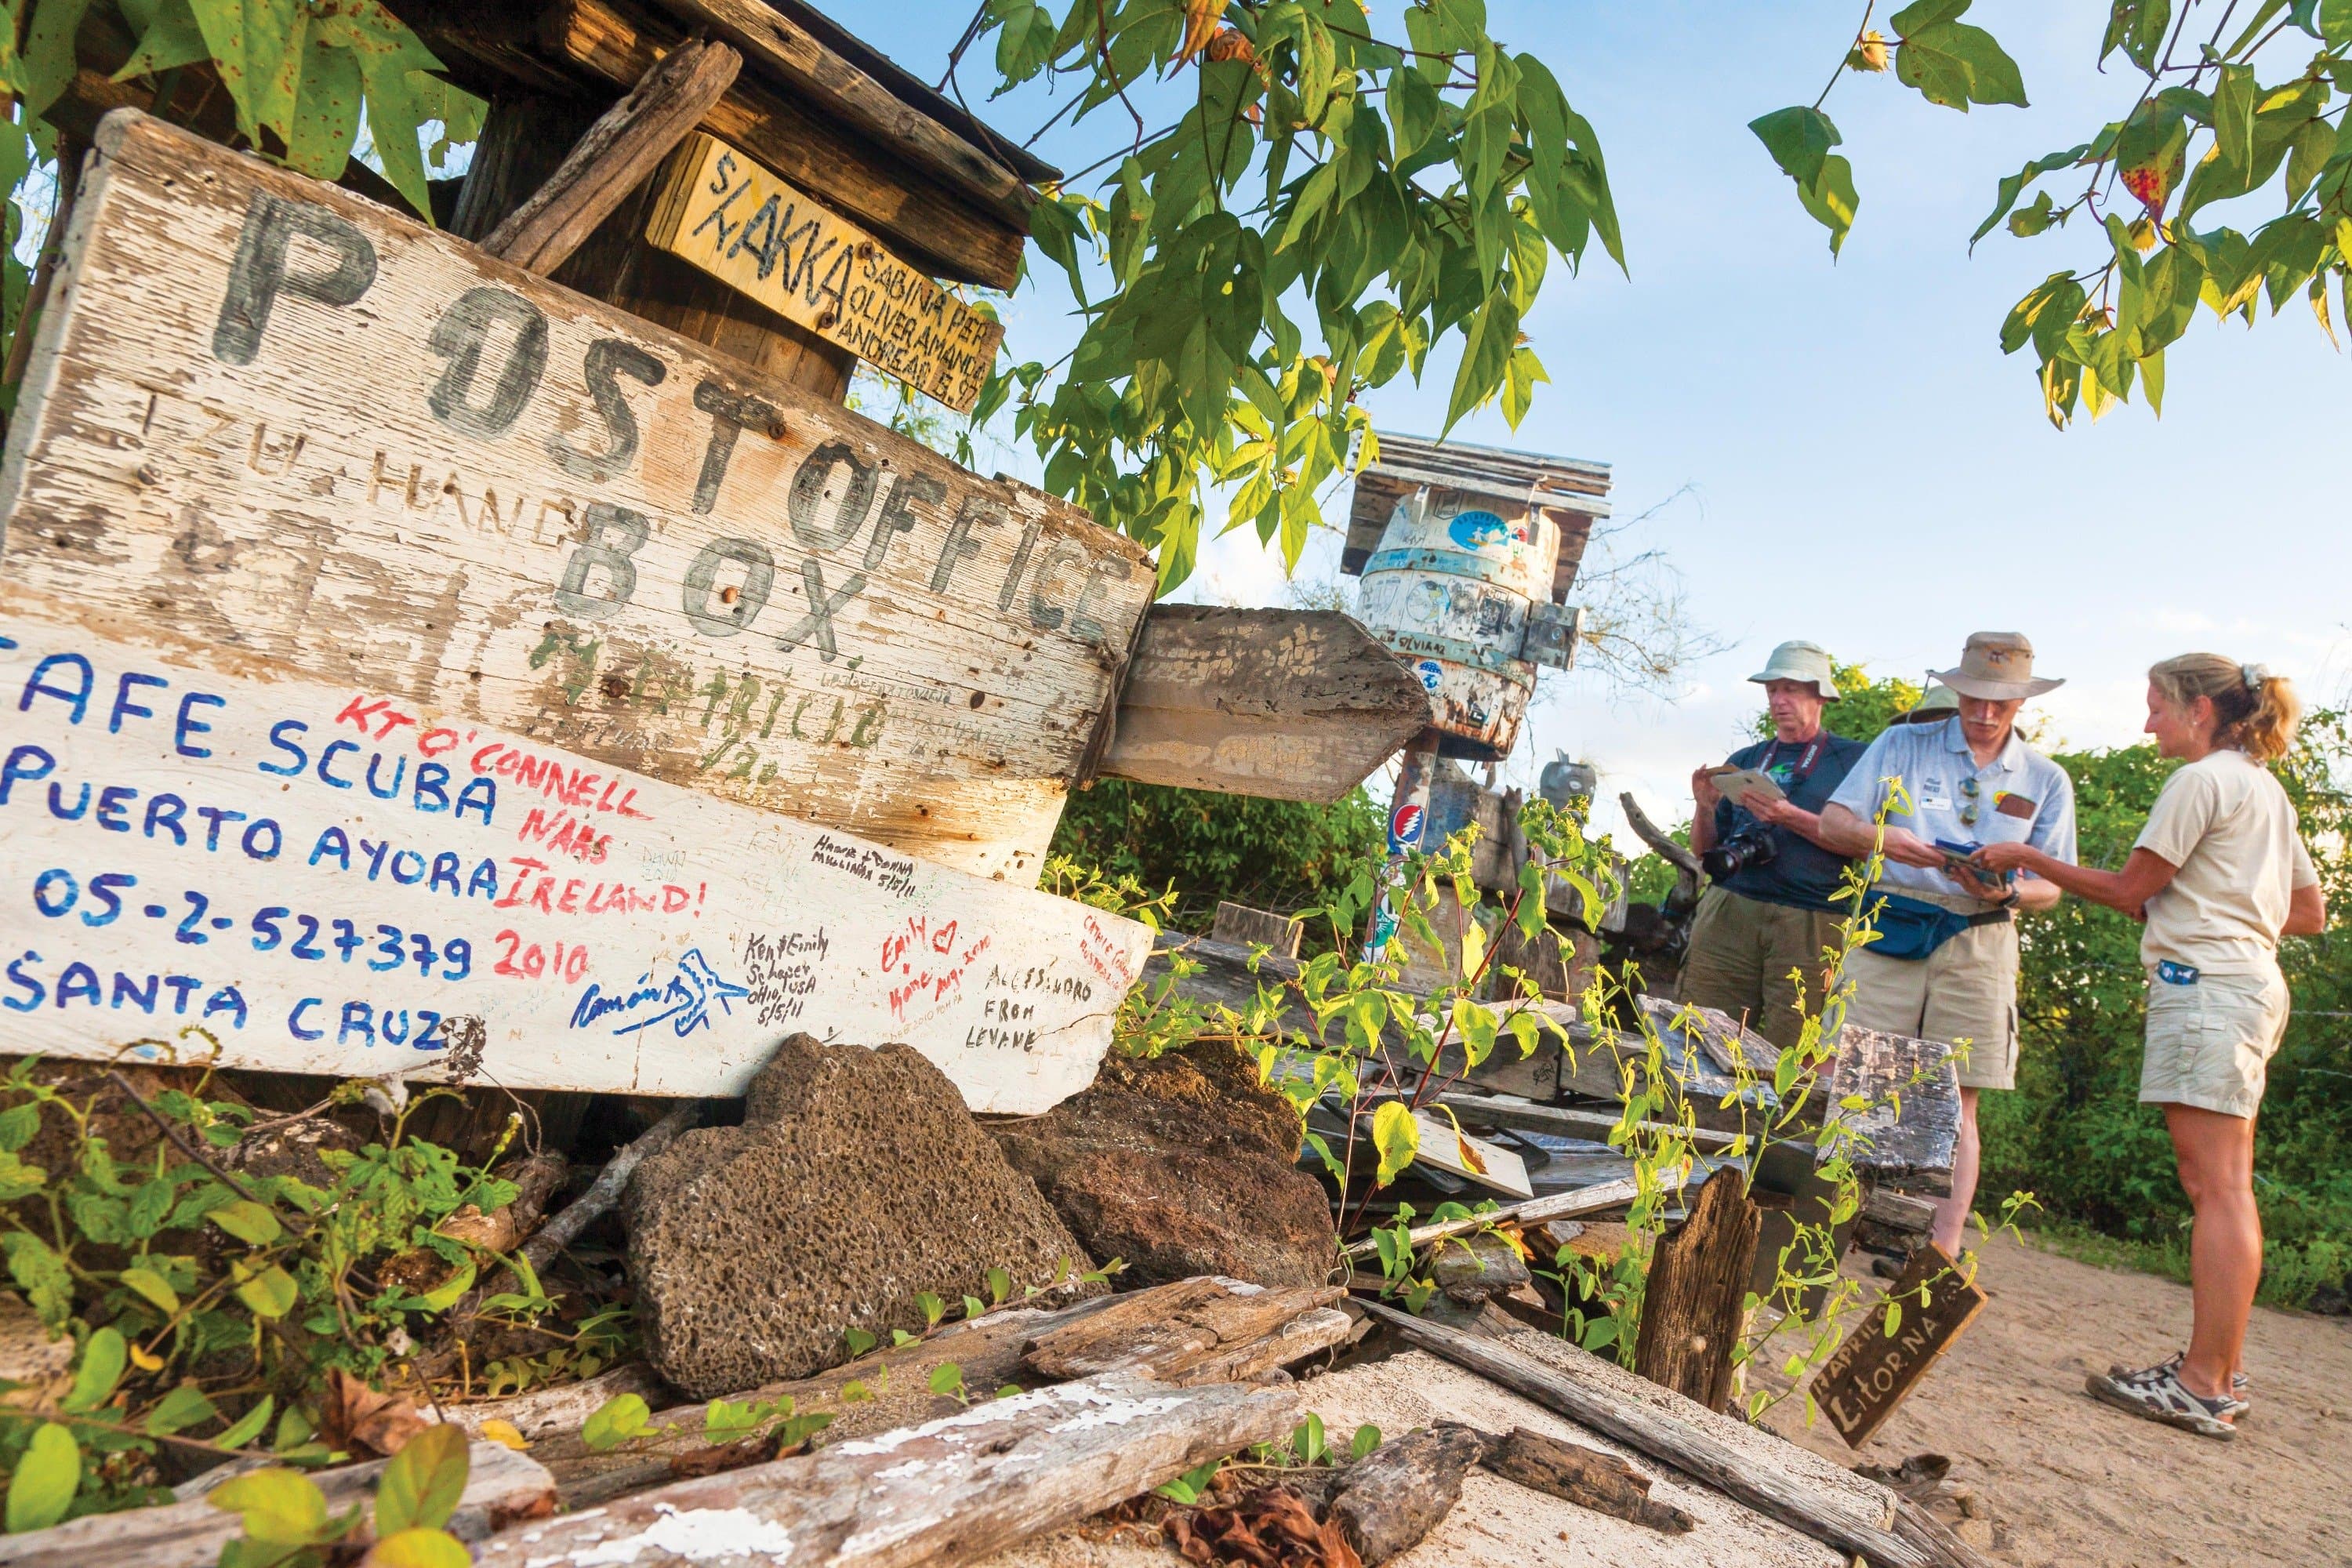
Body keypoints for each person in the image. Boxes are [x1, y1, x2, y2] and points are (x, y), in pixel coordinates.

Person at [1975, 655, 2323, 1440]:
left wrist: (2024, 855)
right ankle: (2218, 1372)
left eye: (2157, 708)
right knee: (2224, 1182)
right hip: (2249, 981)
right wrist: (2212, 904)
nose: (2147, 724)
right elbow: (2307, 910)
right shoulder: (2264, 788)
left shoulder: (2201, 781)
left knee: (2218, 1187)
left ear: (2199, 709)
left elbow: (2130, 890)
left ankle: (2203, 1383)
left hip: (2206, 987)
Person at [1816, 633, 2078, 1260]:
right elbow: (1832, 823)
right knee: (1851, 1077)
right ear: (1958, 690)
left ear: (2022, 701)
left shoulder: (2046, 777)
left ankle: (1938, 1252)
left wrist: (2007, 895)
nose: (1986, 714)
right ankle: (1823, 1231)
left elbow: (2054, 885)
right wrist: (1884, 840)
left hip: (1981, 936)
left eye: (2001, 702)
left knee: (1959, 1099)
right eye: (1975, 698)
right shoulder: (1902, 744)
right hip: (1891, 921)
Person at [1678, 641, 1867, 1048]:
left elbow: (1868, 845)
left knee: (1795, 1050)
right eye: (1772, 690)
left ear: (1820, 695)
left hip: (1813, 919)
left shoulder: (1854, 761)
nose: (1779, 700)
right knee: (1702, 1036)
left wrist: (1788, 817)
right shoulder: (1748, 759)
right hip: (1731, 907)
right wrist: (1705, 808)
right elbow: (1703, 851)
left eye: (1791, 689)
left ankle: (1780, 1116)